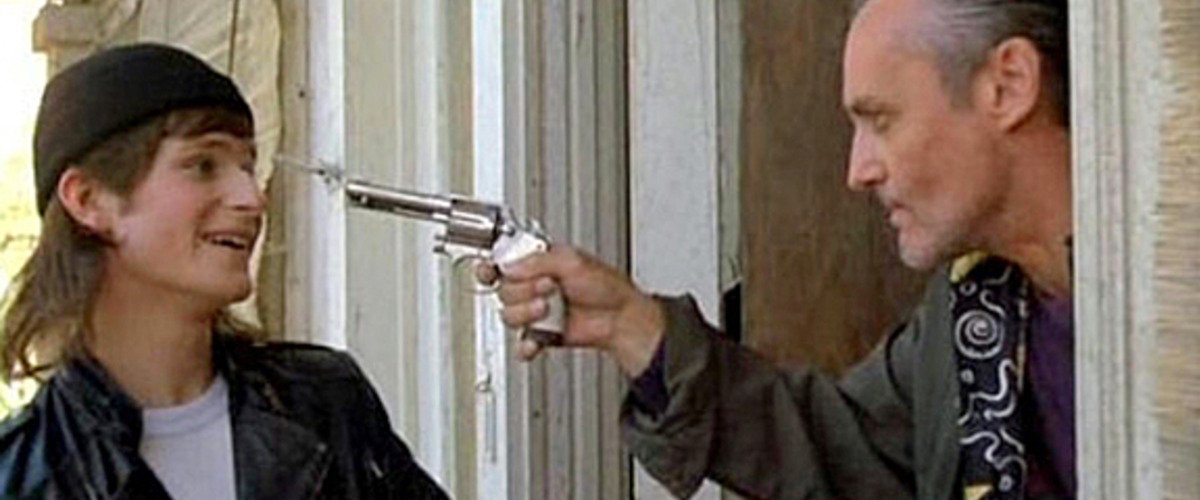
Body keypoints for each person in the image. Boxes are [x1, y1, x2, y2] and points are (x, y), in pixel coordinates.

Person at [486, 0, 1073, 498]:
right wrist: (632, 327)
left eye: (882, 121)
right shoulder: (976, 305)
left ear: (1008, 85)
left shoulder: (1134, 298)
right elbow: (847, 452)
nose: (858, 171)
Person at [0, 44, 447, 499]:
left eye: (248, 166)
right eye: (203, 165)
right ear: (88, 200)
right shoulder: (20, 478)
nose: (251, 198)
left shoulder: (325, 402)